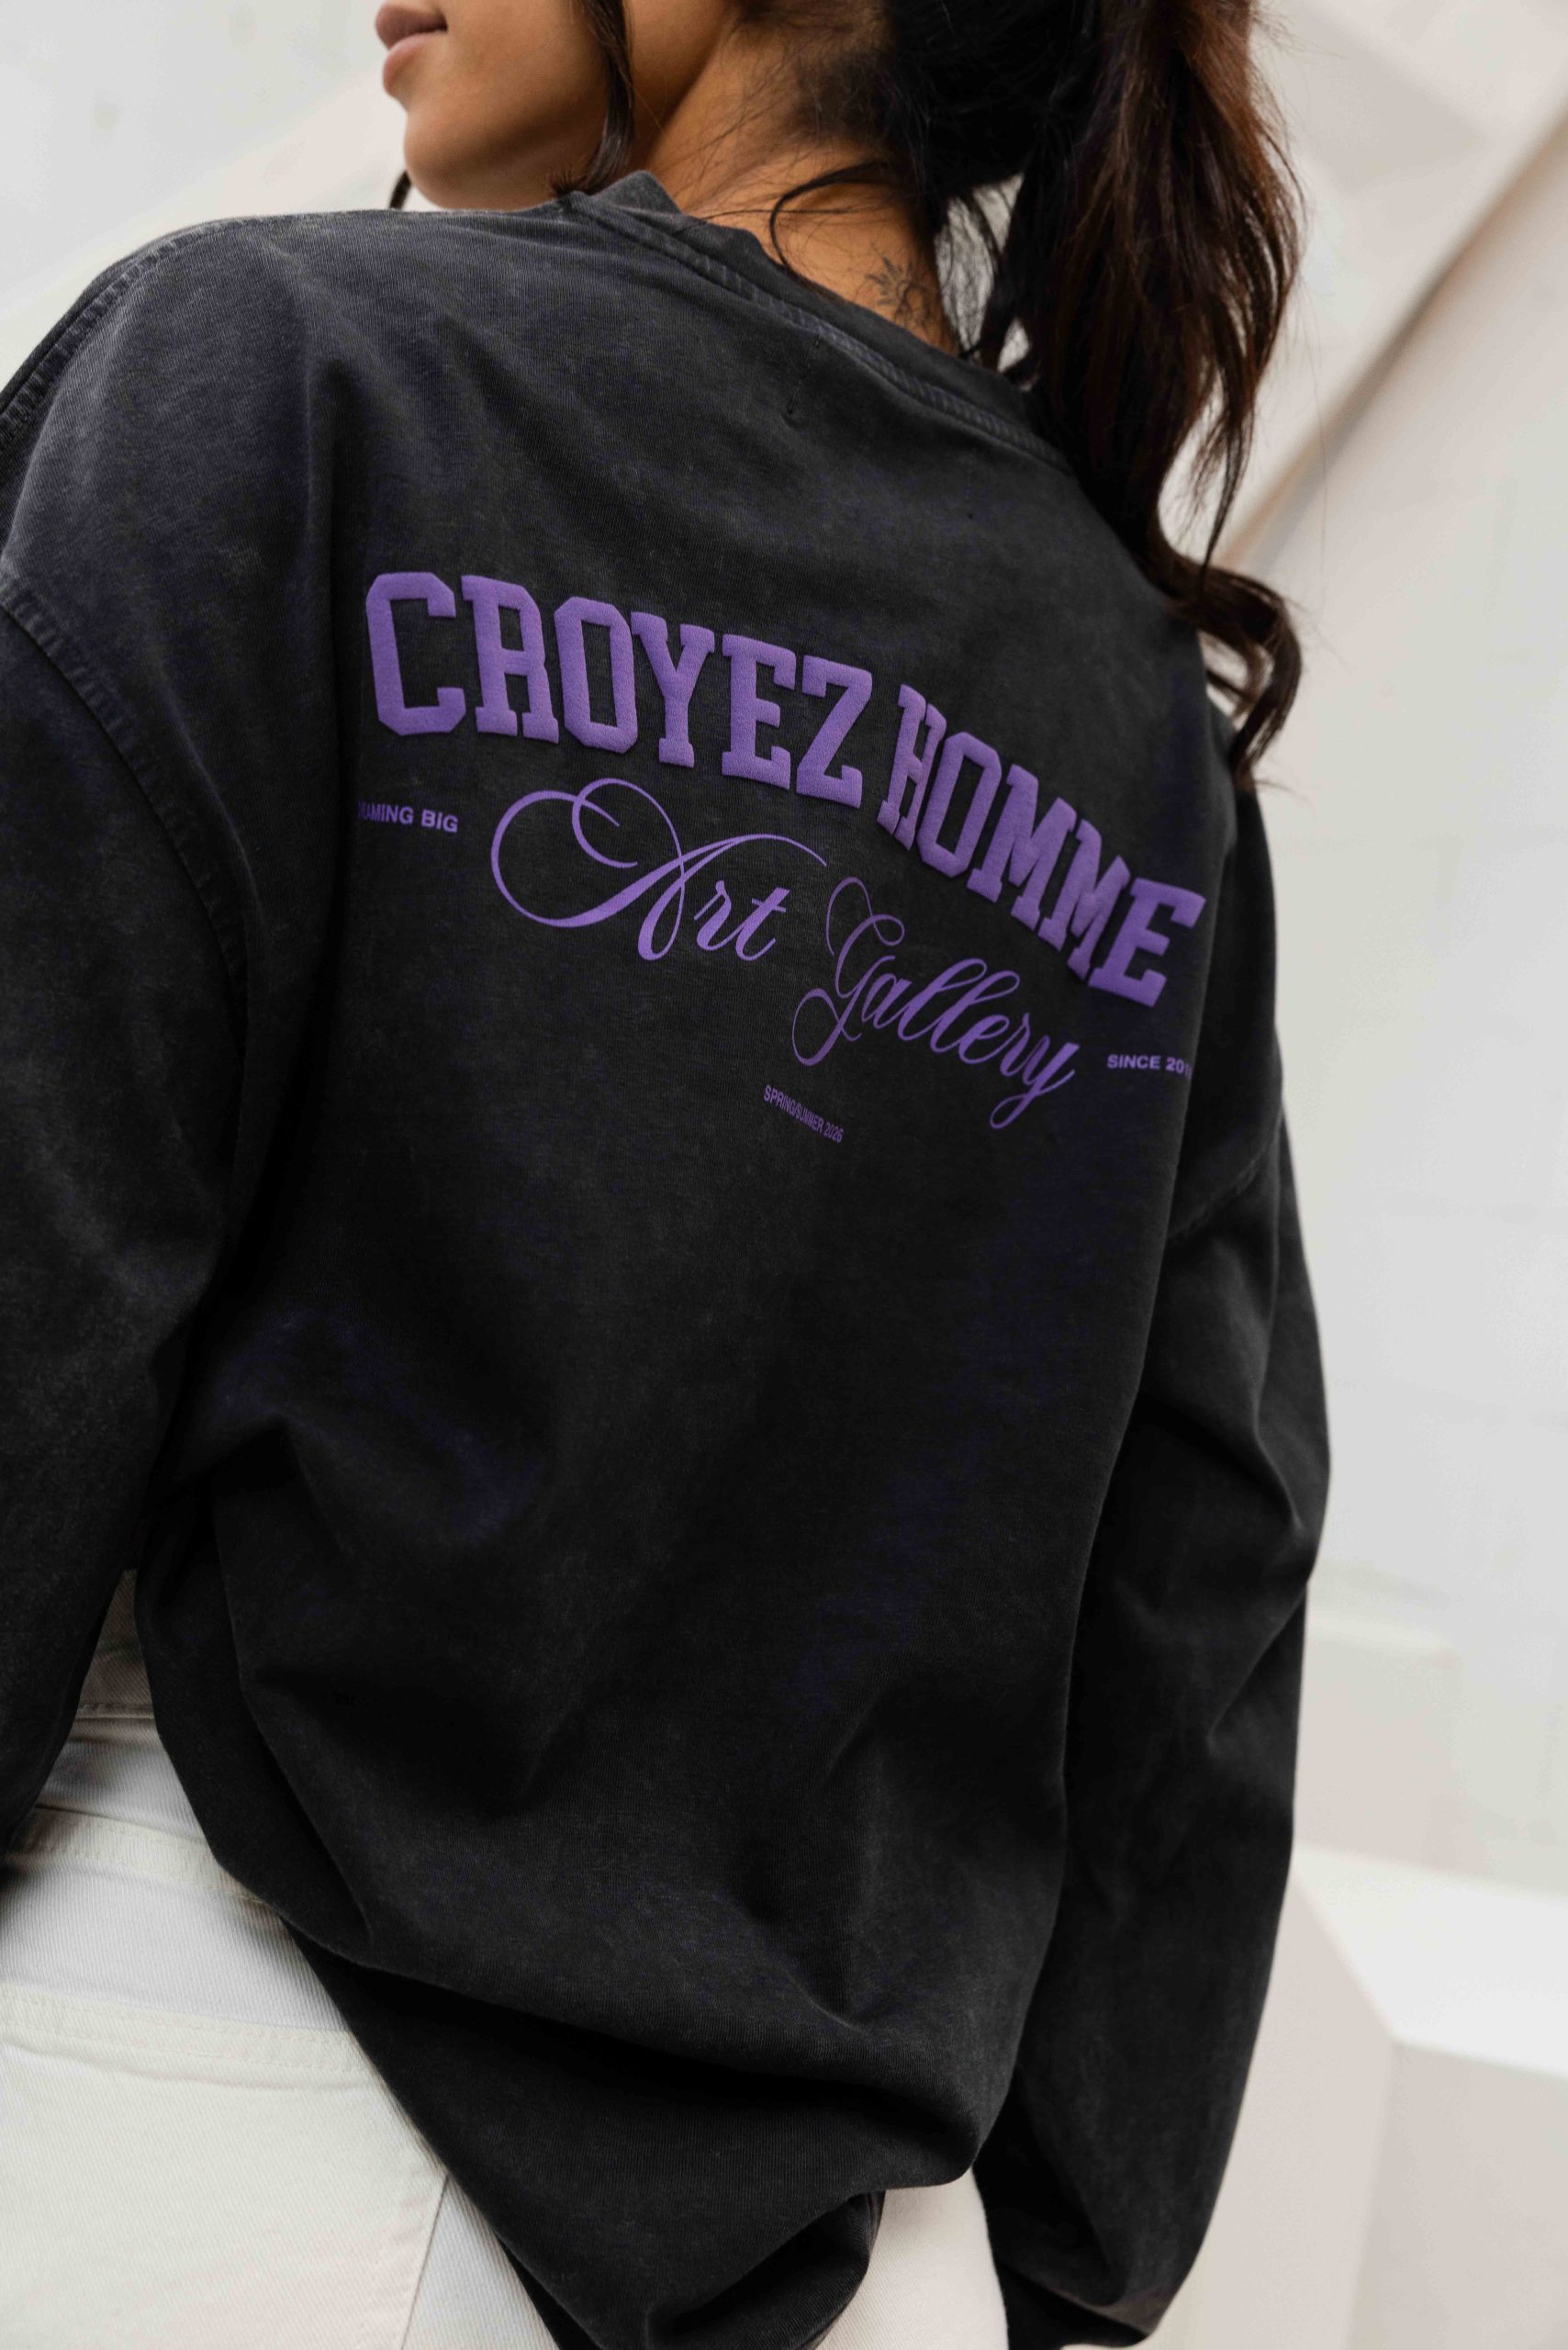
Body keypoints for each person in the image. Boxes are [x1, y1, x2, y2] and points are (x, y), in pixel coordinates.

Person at [0, 1, 1330, 2345]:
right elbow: (1199, 1567)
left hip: (196, 2094)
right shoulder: (1132, 724)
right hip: (837, 2243)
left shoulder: (270, 381)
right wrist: (1078, 2266)